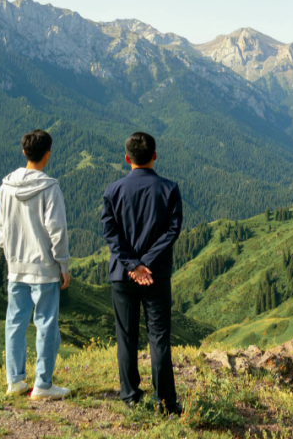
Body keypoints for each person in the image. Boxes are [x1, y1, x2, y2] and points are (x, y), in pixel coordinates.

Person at [102, 132, 183, 414]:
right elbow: (172, 231)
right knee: (158, 338)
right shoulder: (169, 189)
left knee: (126, 336)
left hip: (122, 276)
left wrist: (131, 264)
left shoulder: (112, 191)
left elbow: (110, 234)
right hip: (156, 274)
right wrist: (146, 262)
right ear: (155, 155)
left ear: (127, 159)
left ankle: (130, 396)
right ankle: (165, 403)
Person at [0, 129, 72, 401]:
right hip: (44, 267)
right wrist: (63, 264)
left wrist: (9, 255)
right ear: (48, 155)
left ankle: (15, 381)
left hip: (16, 266)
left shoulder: (5, 186)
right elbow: (57, 230)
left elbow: (2, 228)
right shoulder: (49, 187)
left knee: (14, 323)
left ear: (23, 152)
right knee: (46, 324)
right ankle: (43, 385)